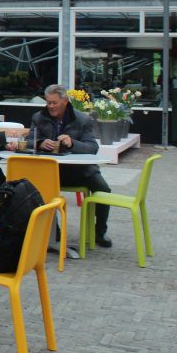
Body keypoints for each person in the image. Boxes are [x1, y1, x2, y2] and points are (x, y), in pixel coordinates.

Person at [30, 84, 113, 248]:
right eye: (48, 103)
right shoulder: (38, 117)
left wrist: (71, 143)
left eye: (54, 103)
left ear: (65, 101)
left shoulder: (82, 119)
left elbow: (92, 148)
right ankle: (54, 232)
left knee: (104, 189)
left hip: (80, 171)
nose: (51, 107)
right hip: (52, 171)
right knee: (33, 188)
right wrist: (39, 143)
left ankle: (99, 232)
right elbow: (27, 142)